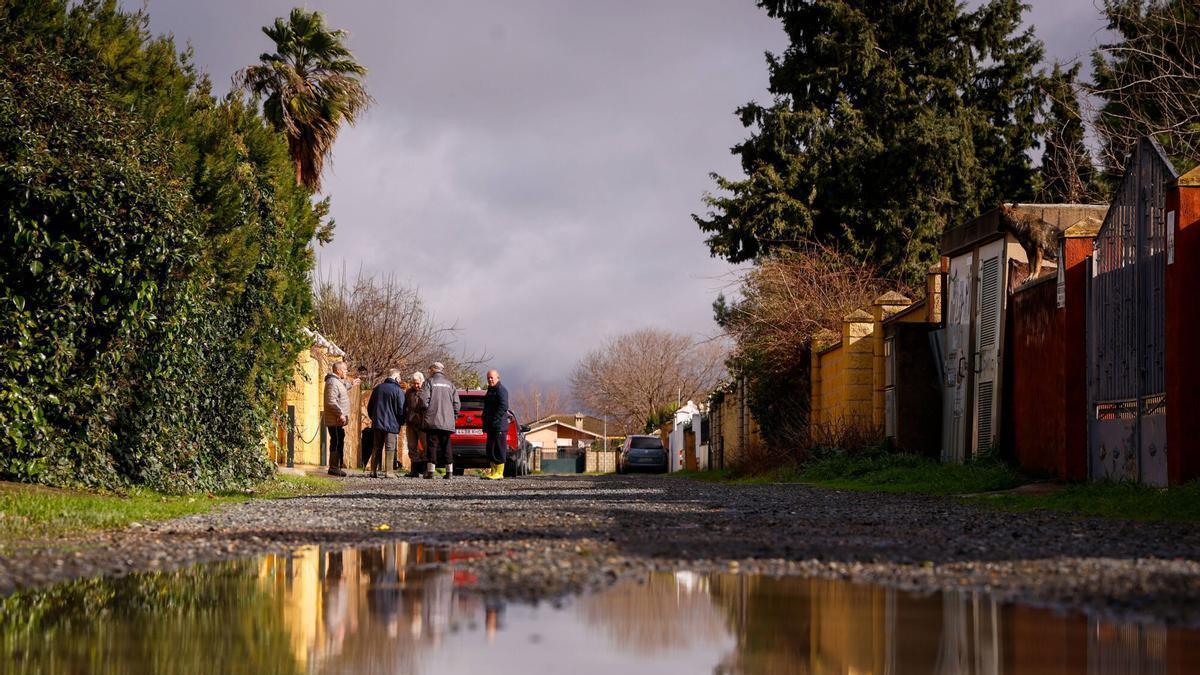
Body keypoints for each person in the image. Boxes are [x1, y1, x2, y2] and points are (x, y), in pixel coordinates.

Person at [420, 361, 460, 479]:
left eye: (430, 369)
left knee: (432, 445)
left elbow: (423, 401)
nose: (429, 371)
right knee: (446, 445)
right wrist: (454, 416)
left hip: (432, 420)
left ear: (433, 369)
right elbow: (457, 404)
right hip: (447, 421)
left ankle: (431, 472)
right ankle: (449, 472)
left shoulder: (429, 382)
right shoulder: (450, 384)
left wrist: (426, 410)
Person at [366, 368, 405, 478]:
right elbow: (401, 409)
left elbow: (370, 407)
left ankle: (373, 471)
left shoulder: (377, 388)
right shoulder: (398, 391)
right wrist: (401, 422)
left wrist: (373, 418)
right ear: (396, 378)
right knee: (390, 447)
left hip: (377, 423)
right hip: (392, 424)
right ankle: (389, 471)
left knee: (377, 446)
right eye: (400, 378)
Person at [323, 361, 353, 477]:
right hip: (335, 419)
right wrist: (340, 413)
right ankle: (334, 467)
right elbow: (331, 401)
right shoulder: (332, 382)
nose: (346, 372)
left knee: (339, 439)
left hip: (337, 419)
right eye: (345, 370)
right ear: (338, 370)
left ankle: (337, 466)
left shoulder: (336, 381)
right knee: (335, 441)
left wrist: (351, 384)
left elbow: (342, 388)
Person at [481, 369, 509, 480]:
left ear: (498, 378)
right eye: (488, 378)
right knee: (490, 449)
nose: (490, 380)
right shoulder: (490, 390)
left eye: (492, 377)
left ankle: (499, 472)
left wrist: (495, 419)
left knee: (499, 448)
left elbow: (503, 406)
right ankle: (493, 471)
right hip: (491, 425)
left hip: (499, 425)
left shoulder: (501, 390)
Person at [403, 371, 427, 477]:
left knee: (426, 446)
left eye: (418, 383)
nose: (416, 385)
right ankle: (414, 470)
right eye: (414, 383)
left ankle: (426, 469)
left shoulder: (426, 391)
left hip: (423, 423)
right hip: (411, 423)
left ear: (422, 381)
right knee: (412, 446)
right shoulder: (409, 392)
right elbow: (405, 406)